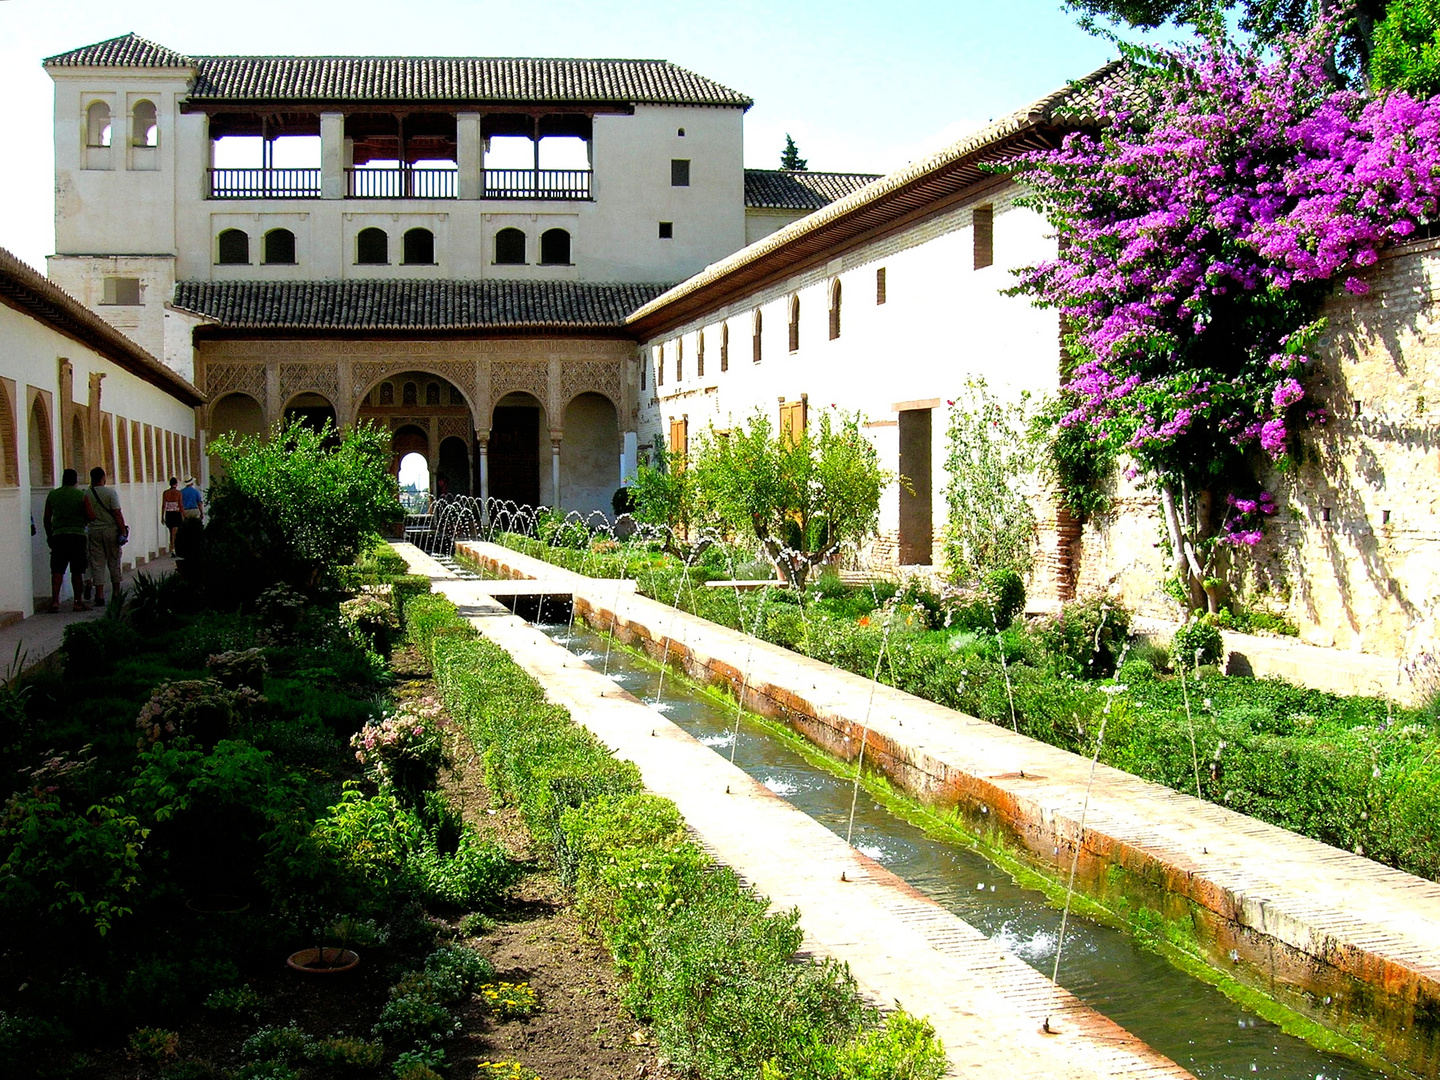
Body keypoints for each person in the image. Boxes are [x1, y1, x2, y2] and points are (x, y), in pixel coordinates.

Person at [42, 468, 91, 613]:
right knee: (77, 570)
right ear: (75, 480)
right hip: (77, 535)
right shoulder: (81, 495)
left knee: (57, 570)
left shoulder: (53, 494)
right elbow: (90, 515)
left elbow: (46, 518)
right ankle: (77, 602)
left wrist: (49, 535)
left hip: (59, 535)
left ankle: (55, 602)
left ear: (63, 479)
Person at [84, 466, 128, 608]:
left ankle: (99, 595)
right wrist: (123, 531)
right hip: (111, 531)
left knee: (97, 563)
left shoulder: (86, 494)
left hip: (94, 531)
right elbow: (117, 513)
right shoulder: (110, 493)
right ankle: (116, 593)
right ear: (103, 478)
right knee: (114, 561)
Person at [161, 476, 183, 550]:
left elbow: (164, 505)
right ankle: (173, 548)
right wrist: (183, 515)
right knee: (175, 532)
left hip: (169, 513)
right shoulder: (178, 493)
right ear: (176, 484)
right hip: (176, 513)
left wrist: (162, 516)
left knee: (171, 532)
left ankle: (172, 547)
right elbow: (180, 505)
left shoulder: (165, 493)